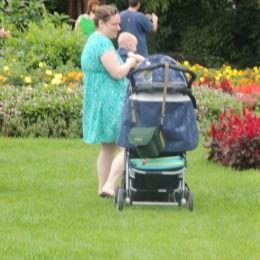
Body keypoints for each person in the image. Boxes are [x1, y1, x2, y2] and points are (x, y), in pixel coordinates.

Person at [81, 4, 137, 198]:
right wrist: (130, 62)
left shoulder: (93, 40)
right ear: (101, 23)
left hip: (99, 100)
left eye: (119, 24)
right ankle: (110, 186)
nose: (118, 28)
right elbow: (118, 72)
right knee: (128, 146)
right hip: (110, 102)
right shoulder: (103, 44)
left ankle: (102, 187)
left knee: (107, 148)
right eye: (114, 24)